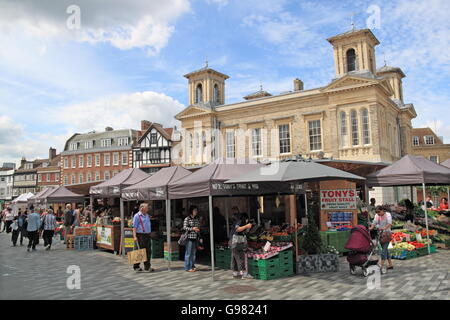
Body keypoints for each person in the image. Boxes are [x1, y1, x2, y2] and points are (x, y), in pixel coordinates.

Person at [229, 212, 253, 280]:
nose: (247, 222)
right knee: (240, 257)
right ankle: (244, 273)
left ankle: (235, 273)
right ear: (245, 218)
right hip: (236, 242)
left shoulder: (238, 221)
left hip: (233, 241)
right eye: (247, 220)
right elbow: (237, 229)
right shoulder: (240, 221)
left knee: (234, 257)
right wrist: (246, 226)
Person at [369, 206, 393, 271]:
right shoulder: (377, 215)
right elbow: (374, 222)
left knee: (383, 251)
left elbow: (389, 223)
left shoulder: (388, 214)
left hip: (387, 234)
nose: (378, 213)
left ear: (382, 210)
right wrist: (371, 227)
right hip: (380, 234)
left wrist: (384, 228)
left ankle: (381, 265)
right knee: (385, 249)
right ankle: (390, 265)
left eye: (379, 212)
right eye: (377, 212)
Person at [132, 203, 154, 272]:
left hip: (147, 235)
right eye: (147, 207)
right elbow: (134, 227)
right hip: (140, 235)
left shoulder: (147, 215)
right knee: (138, 251)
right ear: (142, 208)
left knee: (148, 251)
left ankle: (147, 267)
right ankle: (136, 267)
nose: (148, 209)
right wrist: (134, 236)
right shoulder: (137, 216)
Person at [183, 205, 201, 272]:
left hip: (195, 237)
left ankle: (192, 266)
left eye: (196, 210)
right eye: (195, 210)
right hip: (189, 238)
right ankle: (187, 267)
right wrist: (192, 228)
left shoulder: (197, 219)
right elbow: (184, 227)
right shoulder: (187, 219)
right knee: (188, 253)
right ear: (191, 211)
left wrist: (197, 229)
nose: (196, 212)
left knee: (193, 253)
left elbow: (198, 226)